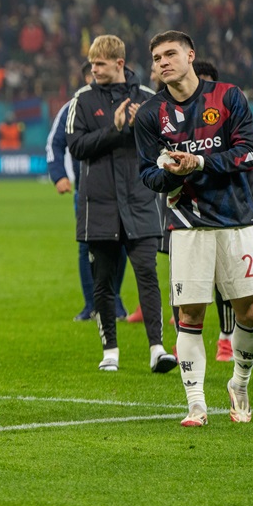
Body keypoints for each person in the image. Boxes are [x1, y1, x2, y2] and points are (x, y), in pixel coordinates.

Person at [136, 32, 253, 427]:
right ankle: (196, 403)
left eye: (170, 54)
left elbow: (249, 152)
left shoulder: (228, 97)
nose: (163, 62)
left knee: (250, 310)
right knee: (190, 314)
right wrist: (169, 174)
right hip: (187, 225)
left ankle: (239, 384)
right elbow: (146, 174)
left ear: (191, 55)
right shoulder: (149, 115)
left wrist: (200, 163)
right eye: (157, 58)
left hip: (235, 219)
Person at [65, 34, 177, 374]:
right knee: (103, 280)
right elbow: (76, 146)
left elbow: (163, 143)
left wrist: (134, 129)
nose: (93, 69)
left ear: (119, 64)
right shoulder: (82, 100)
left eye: (99, 64)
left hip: (140, 201)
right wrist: (115, 130)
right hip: (99, 205)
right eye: (91, 63)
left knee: (147, 273)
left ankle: (157, 349)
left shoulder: (148, 99)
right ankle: (110, 350)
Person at [191, 60, 253, 363]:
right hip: (188, 216)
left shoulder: (230, 111)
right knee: (187, 286)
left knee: (230, 286)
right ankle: (187, 340)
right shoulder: (174, 118)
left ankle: (225, 337)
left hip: (229, 213)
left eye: (208, 82)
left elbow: (251, 161)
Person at [45, 62, 128, 322]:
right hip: (87, 190)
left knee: (122, 244)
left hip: (121, 189)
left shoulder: (123, 103)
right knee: (86, 246)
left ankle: (113, 301)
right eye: (89, 76)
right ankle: (91, 304)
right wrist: (58, 175)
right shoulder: (72, 107)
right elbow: (54, 144)